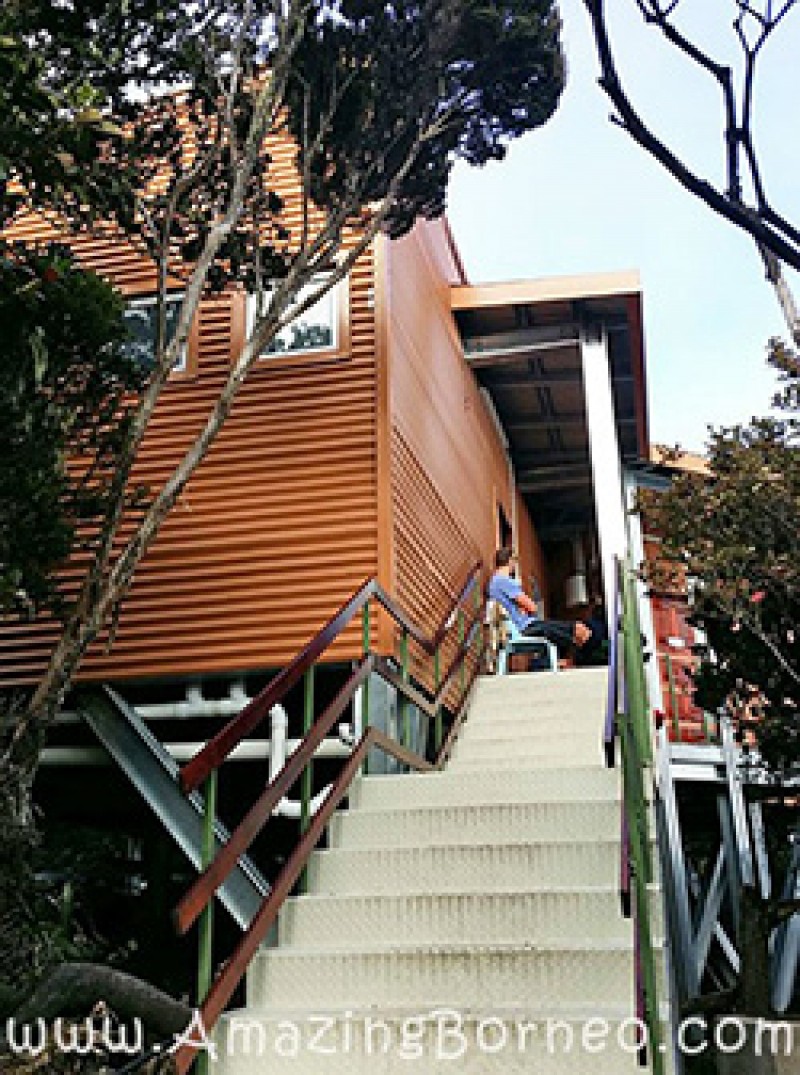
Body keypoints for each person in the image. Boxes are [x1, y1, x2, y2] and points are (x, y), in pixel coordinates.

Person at [488, 548, 592, 660]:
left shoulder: (494, 583)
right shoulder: (505, 581)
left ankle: (576, 636)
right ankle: (578, 634)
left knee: (554, 628)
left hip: (514, 627)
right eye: (515, 561)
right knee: (556, 628)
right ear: (510, 561)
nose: (515, 565)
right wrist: (526, 607)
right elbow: (532, 607)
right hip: (523, 627)